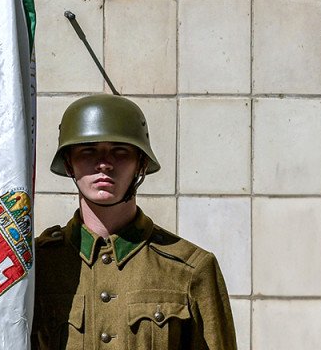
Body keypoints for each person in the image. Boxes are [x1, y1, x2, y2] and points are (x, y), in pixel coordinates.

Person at [32, 94, 237, 349]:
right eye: (88, 151)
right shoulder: (36, 267)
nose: (104, 164)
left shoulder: (190, 269)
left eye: (120, 151)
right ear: (69, 163)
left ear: (141, 163)